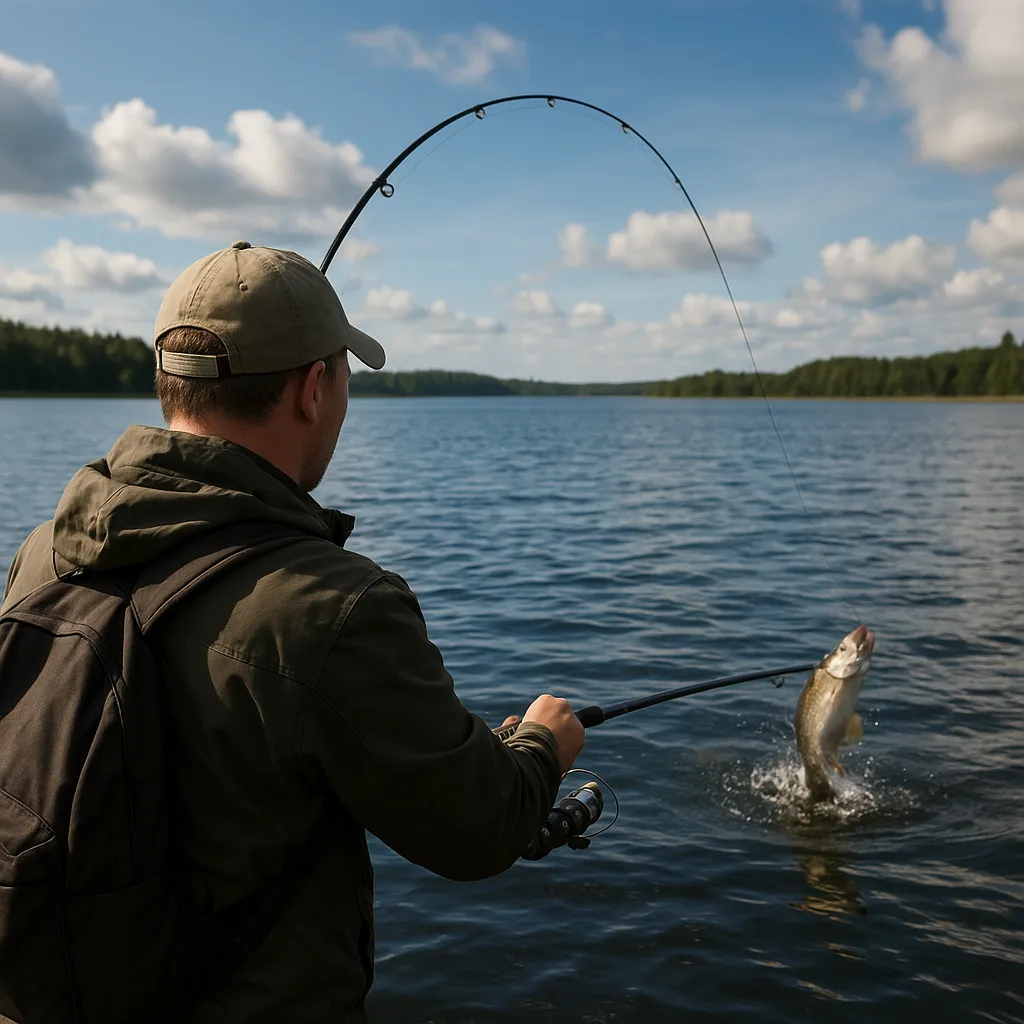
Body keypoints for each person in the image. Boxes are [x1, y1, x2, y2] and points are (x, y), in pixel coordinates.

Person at [1, 241, 585, 1023]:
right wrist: (540, 747)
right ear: (314, 388)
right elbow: (476, 829)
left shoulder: (42, 551)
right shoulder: (337, 605)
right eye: (342, 375)